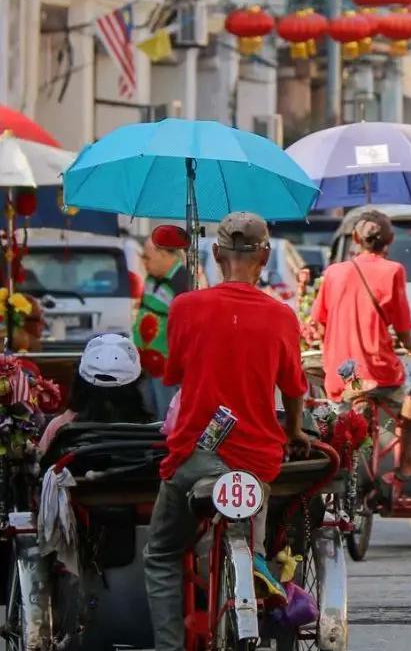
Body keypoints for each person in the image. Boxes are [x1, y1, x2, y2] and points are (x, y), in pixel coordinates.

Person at [144, 212, 310, 651]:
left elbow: (175, 372)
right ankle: (252, 570)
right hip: (256, 461)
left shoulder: (185, 306)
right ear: (266, 256)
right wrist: (293, 430)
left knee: (161, 553)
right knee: (255, 538)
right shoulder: (282, 317)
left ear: (216, 254)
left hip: (193, 455)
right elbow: (294, 389)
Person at [311, 209, 411, 481]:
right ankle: (406, 457)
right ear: (390, 240)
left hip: (341, 374)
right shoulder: (393, 270)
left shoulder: (334, 272)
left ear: (354, 238)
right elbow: (403, 328)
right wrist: (409, 344)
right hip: (380, 372)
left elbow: (319, 323)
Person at [38, 334, 152, 453]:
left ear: (80, 381)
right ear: (136, 385)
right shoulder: (149, 434)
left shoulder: (60, 428)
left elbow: (42, 466)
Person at [134, 231, 192, 420]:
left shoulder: (183, 282)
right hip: (146, 365)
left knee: (165, 417)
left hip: (167, 369)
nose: (144, 261)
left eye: (147, 257)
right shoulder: (152, 278)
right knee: (148, 414)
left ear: (164, 254)